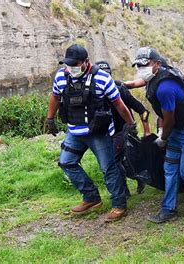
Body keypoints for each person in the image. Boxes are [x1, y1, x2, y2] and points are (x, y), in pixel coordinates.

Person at [45, 44, 135, 222]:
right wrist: (50, 119)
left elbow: (118, 104)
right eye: (68, 64)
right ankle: (91, 197)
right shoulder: (62, 76)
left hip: (98, 133)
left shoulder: (102, 78)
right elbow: (55, 96)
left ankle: (119, 205)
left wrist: (130, 124)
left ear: (86, 62)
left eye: (75, 64)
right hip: (74, 131)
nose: (71, 68)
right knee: (66, 162)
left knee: (108, 168)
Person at [130, 47, 184, 223]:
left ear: (157, 64)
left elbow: (169, 119)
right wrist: (125, 84)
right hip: (179, 129)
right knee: (169, 169)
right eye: (138, 66)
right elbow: (143, 81)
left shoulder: (166, 88)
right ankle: (169, 209)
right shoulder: (158, 73)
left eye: (144, 65)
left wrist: (163, 138)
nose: (141, 69)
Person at [95, 60, 151, 194]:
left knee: (115, 161)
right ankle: (136, 179)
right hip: (106, 132)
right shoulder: (93, 92)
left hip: (123, 130)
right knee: (116, 161)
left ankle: (124, 190)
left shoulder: (120, 90)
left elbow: (143, 111)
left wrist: (146, 132)